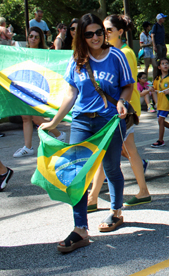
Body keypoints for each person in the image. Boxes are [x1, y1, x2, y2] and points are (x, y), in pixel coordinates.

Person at [39, 13, 134, 253]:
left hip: (109, 120)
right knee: (77, 173)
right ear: (81, 36)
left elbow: (128, 85)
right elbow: (70, 95)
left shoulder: (116, 56)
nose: (94, 37)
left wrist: (122, 101)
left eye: (98, 32)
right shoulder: (77, 59)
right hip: (82, 120)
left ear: (104, 33)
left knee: (111, 167)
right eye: (88, 33)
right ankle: (80, 229)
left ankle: (116, 212)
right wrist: (54, 122)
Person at [86, 14, 151, 209]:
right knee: (122, 152)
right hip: (115, 111)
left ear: (120, 32)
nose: (104, 34)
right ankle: (142, 191)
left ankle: (93, 197)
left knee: (108, 153)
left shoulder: (125, 53)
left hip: (122, 112)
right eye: (102, 30)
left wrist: (122, 107)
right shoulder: (112, 51)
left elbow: (127, 84)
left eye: (108, 30)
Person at [13, 27, 66, 158]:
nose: (33, 39)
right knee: (25, 117)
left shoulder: (44, 53)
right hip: (24, 88)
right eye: (31, 36)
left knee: (36, 118)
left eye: (36, 37)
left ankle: (59, 135)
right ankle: (28, 147)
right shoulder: (23, 52)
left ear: (40, 39)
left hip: (39, 89)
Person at [151, 57, 169, 147]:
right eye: (163, 63)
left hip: (167, 102)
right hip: (160, 103)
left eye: (167, 63)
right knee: (161, 122)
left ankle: (160, 140)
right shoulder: (157, 79)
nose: (165, 65)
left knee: (160, 120)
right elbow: (154, 91)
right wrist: (156, 103)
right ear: (159, 67)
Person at [151, 13, 167, 79]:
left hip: (163, 44)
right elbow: (152, 35)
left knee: (164, 58)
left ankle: (164, 73)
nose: (164, 19)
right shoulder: (155, 26)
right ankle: (156, 74)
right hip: (158, 44)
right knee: (158, 59)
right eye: (163, 18)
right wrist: (154, 45)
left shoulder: (162, 26)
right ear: (159, 19)